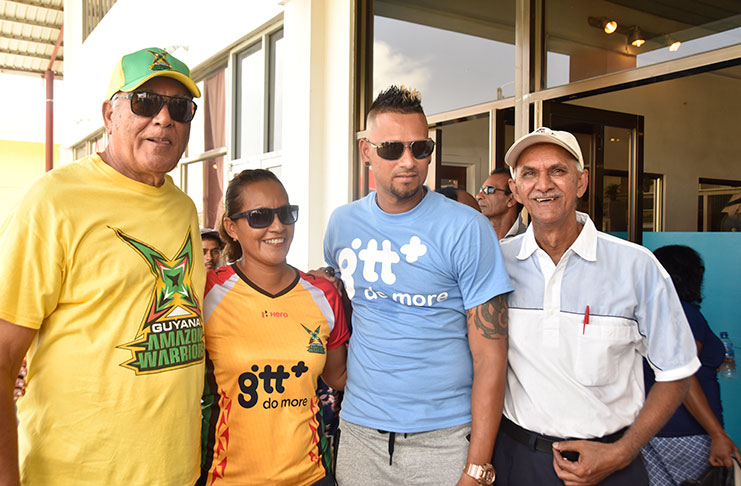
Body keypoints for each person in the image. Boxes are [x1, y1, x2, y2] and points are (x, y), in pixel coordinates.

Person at [0, 47, 205, 486]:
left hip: (175, 471)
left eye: (180, 107)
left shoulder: (183, 206)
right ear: (109, 113)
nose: (164, 118)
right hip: (75, 473)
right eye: (145, 102)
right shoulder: (53, 200)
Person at [323, 86, 512, 486]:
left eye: (420, 148)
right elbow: (346, 306)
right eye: (392, 149)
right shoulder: (342, 224)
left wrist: (477, 469)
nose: (408, 162)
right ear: (366, 152)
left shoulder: (466, 228)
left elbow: (491, 357)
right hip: (360, 435)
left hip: (444, 441)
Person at [493, 127, 701, 486]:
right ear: (515, 190)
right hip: (518, 461)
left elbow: (677, 371)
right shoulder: (495, 264)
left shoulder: (636, 265)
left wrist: (623, 451)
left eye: (558, 170)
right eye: (529, 173)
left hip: (614, 464)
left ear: (582, 182)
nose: (543, 184)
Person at [198, 169, 350, 486]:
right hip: (225, 478)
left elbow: (338, 376)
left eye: (285, 214)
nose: (278, 226)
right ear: (231, 227)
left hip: (311, 476)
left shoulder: (323, 294)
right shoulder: (206, 292)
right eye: (260, 217)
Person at [641, 245, 740, 485]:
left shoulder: (652, 313)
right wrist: (717, 434)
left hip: (653, 429)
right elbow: (680, 374)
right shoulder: (684, 313)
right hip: (688, 432)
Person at [476, 168, 525, 240]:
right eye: (481, 190)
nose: (478, 196)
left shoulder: (529, 241)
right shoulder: (474, 237)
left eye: (488, 190)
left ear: (511, 199)